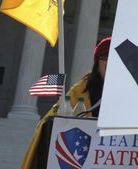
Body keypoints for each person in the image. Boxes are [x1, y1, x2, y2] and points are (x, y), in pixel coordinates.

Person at [20, 36, 111, 169]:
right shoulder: (81, 90)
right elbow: (51, 123)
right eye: (106, 59)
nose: (110, 64)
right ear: (97, 64)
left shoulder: (129, 92)